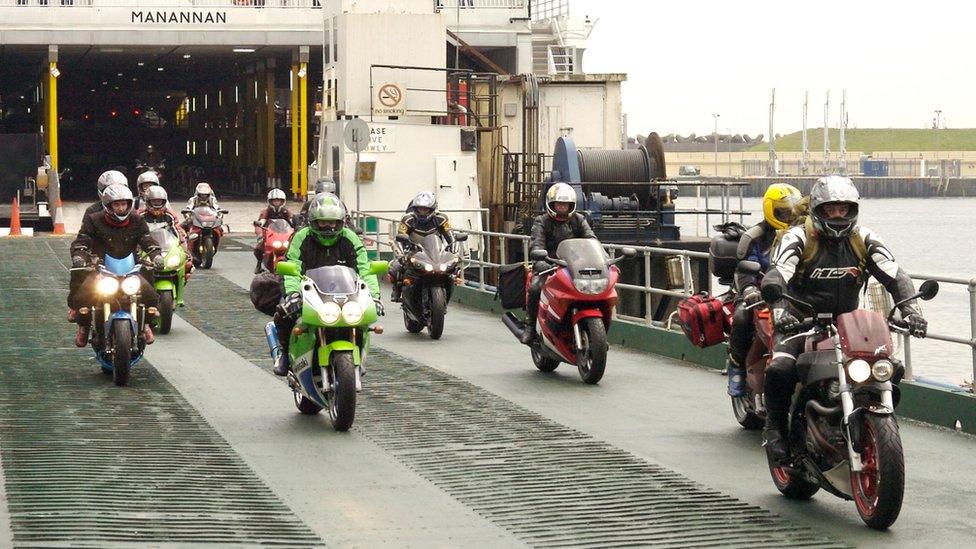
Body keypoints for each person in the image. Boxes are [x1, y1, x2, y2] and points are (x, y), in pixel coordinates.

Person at [760, 176, 927, 461]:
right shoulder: (798, 237)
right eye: (830, 209)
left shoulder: (864, 239)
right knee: (780, 369)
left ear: (853, 210)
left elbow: (895, 275)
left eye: (844, 209)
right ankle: (774, 430)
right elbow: (778, 274)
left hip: (849, 325)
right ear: (817, 210)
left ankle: (872, 421)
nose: (838, 215)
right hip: (800, 321)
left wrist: (911, 311)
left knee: (889, 367)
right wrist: (779, 308)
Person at [272, 194, 380, 376]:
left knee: (362, 321)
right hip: (308, 290)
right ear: (313, 222)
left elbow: (365, 268)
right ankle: (284, 353)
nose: (328, 227)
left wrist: (374, 296)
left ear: (341, 222)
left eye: (333, 222)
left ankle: (358, 354)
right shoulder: (302, 237)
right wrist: (292, 293)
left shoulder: (350, 238)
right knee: (283, 313)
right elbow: (292, 264)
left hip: (345, 292)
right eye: (323, 222)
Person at [726, 183, 801, 397]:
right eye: (783, 211)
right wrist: (750, 289)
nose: (789, 215)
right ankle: (736, 366)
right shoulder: (754, 237)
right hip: (756, 291)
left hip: (791, 293)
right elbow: (744, 270)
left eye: (792, 211)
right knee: (741, 316)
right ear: (770, 210)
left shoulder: (804, 235)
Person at [69, 184, 163, 348]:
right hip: (102, 268)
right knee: (82, 297)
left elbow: (147, 239)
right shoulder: (94, 220)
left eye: (124, 204)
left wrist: (156, 255)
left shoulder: (137, 220)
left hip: (130, 269)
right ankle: (83, 326)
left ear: (129, 204)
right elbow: (82, 239)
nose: (121, 208)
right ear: (108, 205)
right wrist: (79, 254)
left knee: (151, 295)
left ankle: (146, 324)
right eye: (116, 204)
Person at [521, 182, 596, 344]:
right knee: (535, 288)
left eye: (566, 204)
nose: (562, 207)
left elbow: (592, 240)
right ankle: (530, 326)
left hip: (574, 266)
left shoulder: (579, 220)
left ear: (571, 205)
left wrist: (601, 259)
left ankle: (595, 332)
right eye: (559, 204)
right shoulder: (542, 221)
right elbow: (537, 245)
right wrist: (541, 261)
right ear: (551, 204)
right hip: (548, 264)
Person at [388, 191, 454, 302]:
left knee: (452, 272)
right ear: (415, 208)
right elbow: (399, 238)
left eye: (425, 209)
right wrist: (401, 254)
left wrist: (454, 253)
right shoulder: (407, 219)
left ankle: (445, 297)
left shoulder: (442, 219)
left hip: (435, 253)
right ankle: (397, 290)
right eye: (420, 209)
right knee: (395, 267)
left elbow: (451, 238)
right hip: (414, 251)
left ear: (432, 209)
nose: (422, 212)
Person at [253, 188, 295, 274]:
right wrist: (260, 232)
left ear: (282, 201)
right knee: (258, 248)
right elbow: (262, 221)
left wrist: (297, 226)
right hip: (269, 234)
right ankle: (259, 264)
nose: (276, 203)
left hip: (284, 235)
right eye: (274, 201)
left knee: (296, 248)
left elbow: (292, 221)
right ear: (270, 201)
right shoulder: (266, 211)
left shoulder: (286, 211)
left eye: (279, 201)